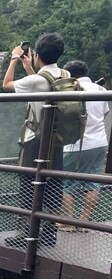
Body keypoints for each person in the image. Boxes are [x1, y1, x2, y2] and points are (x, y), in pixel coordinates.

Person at [3, 33, 68, 248]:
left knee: (28, 184)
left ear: (37, 55)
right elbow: (42, 85)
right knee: (52, 183)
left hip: (35, 139)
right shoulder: (66, 75)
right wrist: (30, 67)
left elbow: (7, 85)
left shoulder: (36, 80)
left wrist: (14, 58)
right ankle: (49, 233)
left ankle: (26, 233)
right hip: (57, 139)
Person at [60, 60, 109, 232]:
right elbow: (104, 113)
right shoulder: (101, 90)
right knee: (93, 182)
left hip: (77, 144)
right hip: (100, 142)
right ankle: (84, 222)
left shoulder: (72, 90)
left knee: (64, 182)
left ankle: (69, 222)